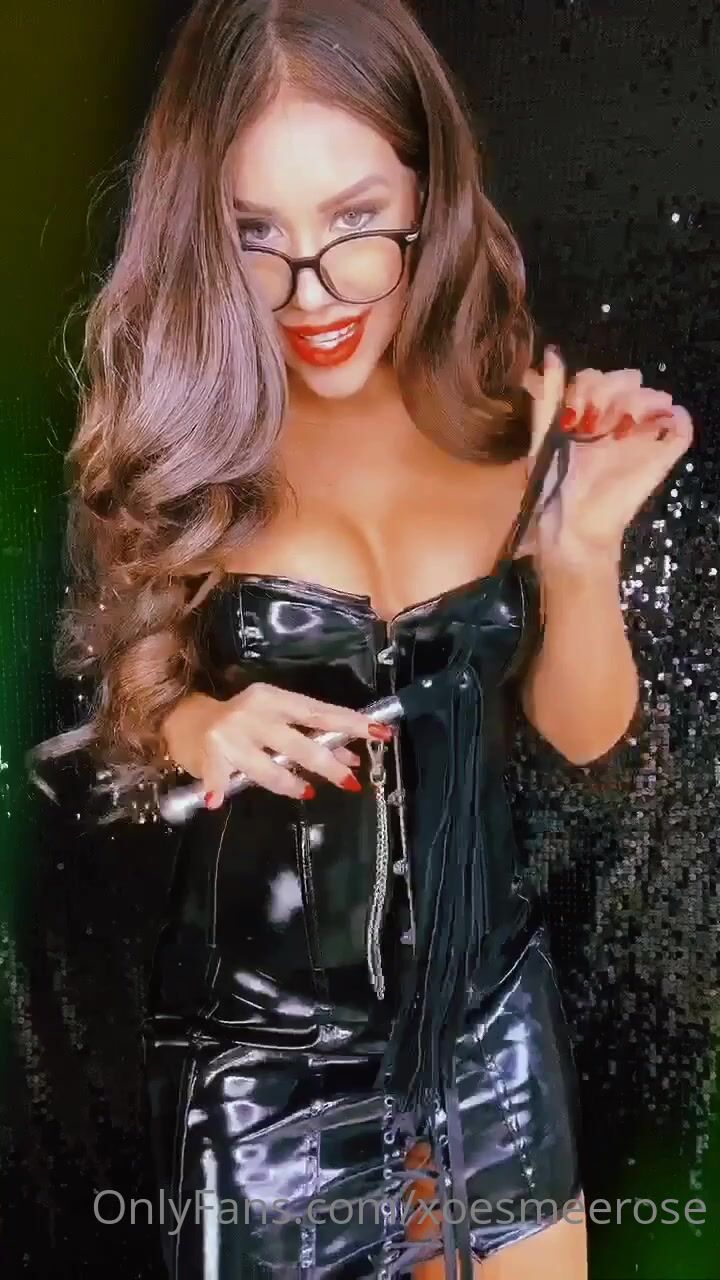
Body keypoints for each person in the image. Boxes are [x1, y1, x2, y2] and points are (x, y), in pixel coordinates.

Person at [38, 0, 693, 1275]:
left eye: (354, 223)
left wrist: (580, 549)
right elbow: (133, 699)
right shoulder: (187, 434)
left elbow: (581, 737)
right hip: (263, 1069)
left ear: (427, 190)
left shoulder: (513, 417)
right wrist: (201, 724)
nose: (313, 293)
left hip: (493, 1031)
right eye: (256, 236)